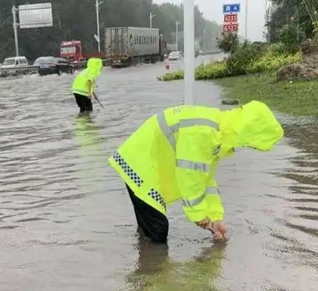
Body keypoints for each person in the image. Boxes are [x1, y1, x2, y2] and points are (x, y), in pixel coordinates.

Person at [109, 101, 284, 243]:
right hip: (139, 166)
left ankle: (144, 258)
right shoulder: (204, 133)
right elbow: (190, 177)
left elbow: (206, 180)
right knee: (158, 231)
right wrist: (200, 216)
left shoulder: (219, 130)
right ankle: (151, 278)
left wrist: (215, 219)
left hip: (145, 163)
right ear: (246, 131)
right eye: (248, 142)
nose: (244, 146)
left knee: (148, 227)